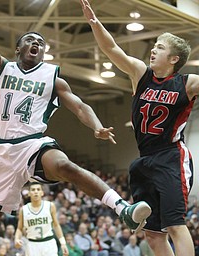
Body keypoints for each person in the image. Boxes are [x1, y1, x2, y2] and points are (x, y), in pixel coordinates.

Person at [0, 1, 151, 255]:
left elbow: (79, 106)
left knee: (66, 166)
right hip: (3, 151)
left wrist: (97, 126)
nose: (36, 44)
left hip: (34, 142)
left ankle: (124, 209)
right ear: (18, 48)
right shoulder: (2, 68)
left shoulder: (52, 78)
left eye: (41, 43)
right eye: (30, 40)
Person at [79, 1, 199, 255]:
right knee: (154, 236)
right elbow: (112, 48)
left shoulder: (187, 83)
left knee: (175, 225)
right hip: (144, 161)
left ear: (174, 58)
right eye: (154, 45)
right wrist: (94, 22)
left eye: (160, 48)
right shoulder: (140, 74)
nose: (153, 50)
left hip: (171, 157)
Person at [14, 182, 68, 256]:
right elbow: (19, 229)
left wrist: (63, 243)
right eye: (33, 190)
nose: (36, 192)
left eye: (38, 189)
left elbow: (56, 225)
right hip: (32, 245)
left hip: (49, 243)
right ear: (29, 193)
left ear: (42, 193)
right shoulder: (23, 210)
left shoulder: (50, 206)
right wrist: (17, 239)